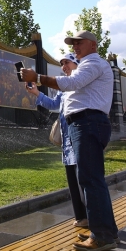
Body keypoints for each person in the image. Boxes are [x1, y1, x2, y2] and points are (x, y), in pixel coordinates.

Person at [21, 30, 118, 251]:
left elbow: (72, 83)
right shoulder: (88, 64)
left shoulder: (93, 63)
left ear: (93, 45)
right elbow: (61, 99)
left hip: (88, 123)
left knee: (90, 179)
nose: (75, 46)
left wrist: (36, 77)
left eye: (79, 43)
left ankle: (102, 236)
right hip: (84, 124)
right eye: (72, 43)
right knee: (91, 179)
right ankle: (107, 232)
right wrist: (38, 91)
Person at [25, 52, 87, 227]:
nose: (64, 66)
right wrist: (37, 93)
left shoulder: (81, 83)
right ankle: (81, 217)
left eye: (67, 62)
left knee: (84, 181)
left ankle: (93, 217)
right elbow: (54, 104)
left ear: (76, 64)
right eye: (62, 63)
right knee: (72, 181)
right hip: (67, 144)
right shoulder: (65, 88)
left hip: (79, 140)